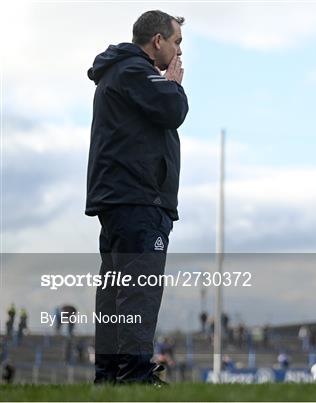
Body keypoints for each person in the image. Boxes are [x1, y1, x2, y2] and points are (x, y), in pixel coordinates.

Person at [86, 10, 189, 385]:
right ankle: (133, 374)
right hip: (139, 200)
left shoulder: (121, 73)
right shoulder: (134, 70)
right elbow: (172, 110)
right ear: (157, 41)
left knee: (115, 291)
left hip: (120, 200)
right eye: (176, 42)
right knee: (138, 288)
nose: (179, 53)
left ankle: (110, 374)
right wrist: (173, 85)